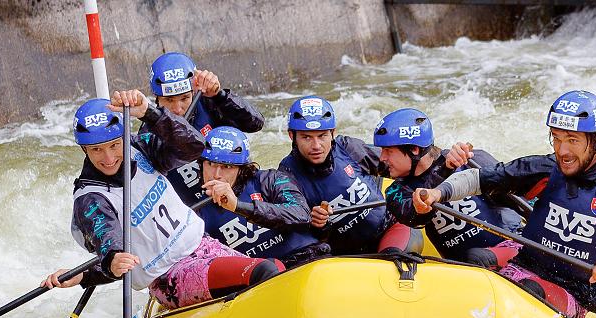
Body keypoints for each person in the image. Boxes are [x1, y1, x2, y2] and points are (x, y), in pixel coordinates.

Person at [413, 90, 596, 318]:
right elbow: (478, 178)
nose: (562, 150)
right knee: (475, 260)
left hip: (578, 290)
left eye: (572, 140)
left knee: (528, 291)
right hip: (527, 262)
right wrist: (438, 193)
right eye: (556, 138)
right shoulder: (547, 168)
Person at [41, 91, 283, 309]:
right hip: (170, 277)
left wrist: (150, 113)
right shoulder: (90, 198)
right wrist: (113, 259)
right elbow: (107, 241)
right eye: (97, 150)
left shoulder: (139, 148)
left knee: (277, 270)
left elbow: (194, 146)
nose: (109, 158)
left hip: (204, 245)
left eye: (114, 145)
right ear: (84, 149)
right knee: (265, 271)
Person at [376, 108, 524, 267]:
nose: (382, 157)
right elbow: (413, 218)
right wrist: (445, 171)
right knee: (472, 259)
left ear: (414, 149)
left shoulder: (470, 160)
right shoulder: (396, 191)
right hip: (465, 269)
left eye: (388, 151)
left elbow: (523, 198)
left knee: (476, 257)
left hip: (513, 248)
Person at [278, 96, 422, 255]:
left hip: (390, 229)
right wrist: (317, 224)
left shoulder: (348, 148)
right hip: (345, 255)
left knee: (392, 258)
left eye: (322, 135)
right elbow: (299, 238)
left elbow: (403, 168)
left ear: (332, 132)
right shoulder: (286, 176)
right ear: (292, 136)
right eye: (306, 137)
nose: (316, 146)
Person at [142, 52, 265, 207]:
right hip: (199, 210)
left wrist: (220, 95)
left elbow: (255, 124)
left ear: (193, 92)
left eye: (184, 98)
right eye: (169, 100)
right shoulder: (147, 134)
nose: (178, 109)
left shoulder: (208, 102)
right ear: (157, 98)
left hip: (238, 197)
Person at [198, 126, 330, 267]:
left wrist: (238, 206)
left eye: (227, 167)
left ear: (241, 169)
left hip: (310, 259)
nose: (216, 174)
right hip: (263, 276)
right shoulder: (195, 213)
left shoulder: (270, 179)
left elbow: (301, 214)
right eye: (210, 164)